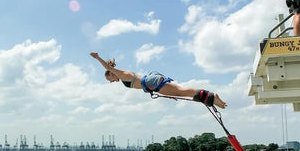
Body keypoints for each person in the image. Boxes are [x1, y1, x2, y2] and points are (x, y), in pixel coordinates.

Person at [90, 52, 227, 109]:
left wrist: (97, 58)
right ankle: (210, 98)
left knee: (181, 91)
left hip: (152, 82)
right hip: (152, 83)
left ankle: (212, 96)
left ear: (111, 74)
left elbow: (107, 67)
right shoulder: (123, 75)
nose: (112, 81)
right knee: (180, 92)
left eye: (110, 79)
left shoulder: (122, 74)